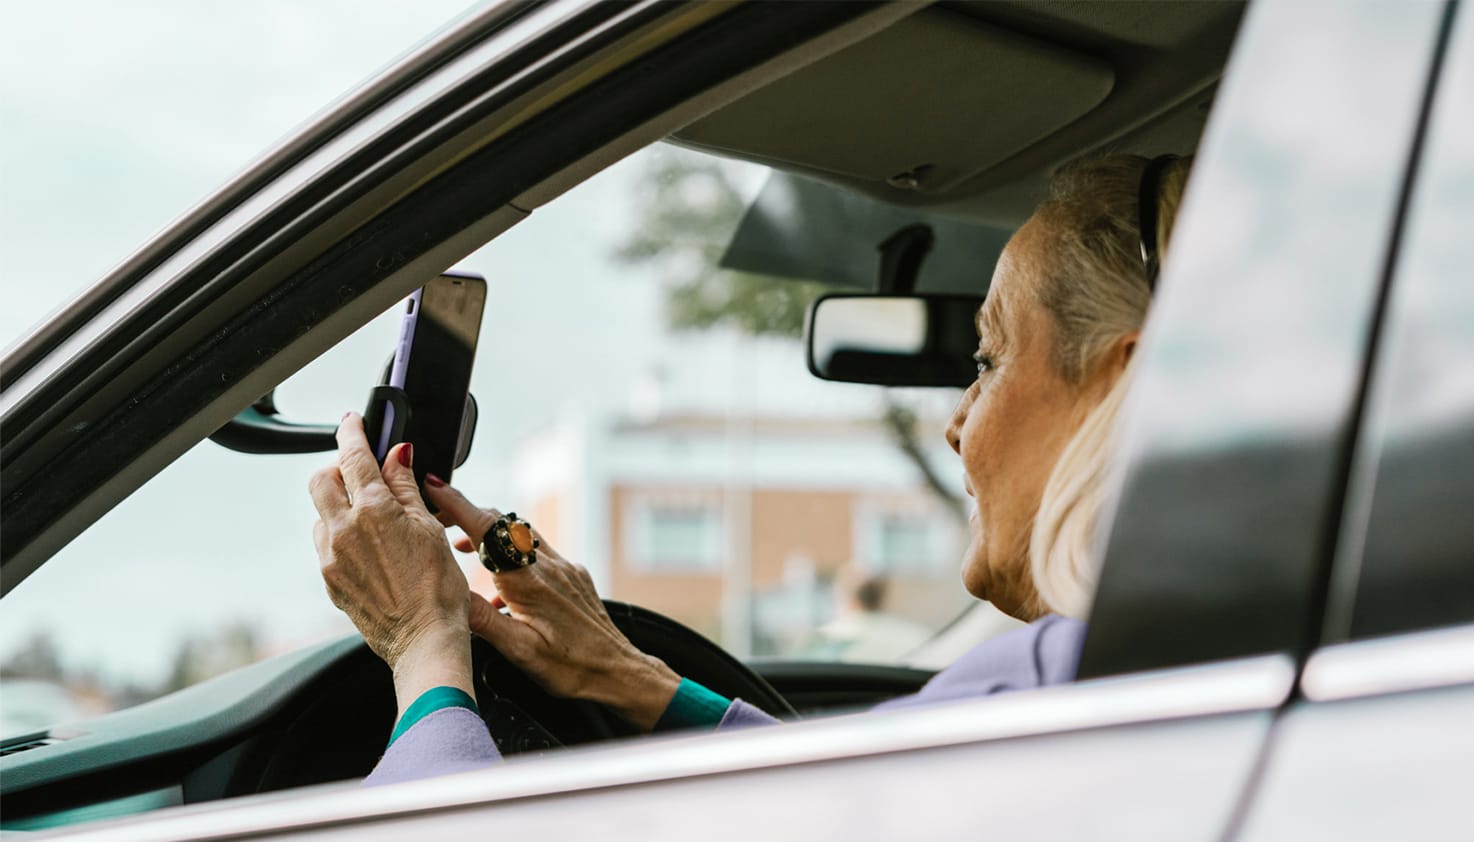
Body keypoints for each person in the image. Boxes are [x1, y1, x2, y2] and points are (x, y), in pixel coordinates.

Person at [307, 153, 1192, 786]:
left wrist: (423, 642)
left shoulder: (1054, 689)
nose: (958, 424)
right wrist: (620, 674)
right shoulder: (1176, 686)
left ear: (1126, 382)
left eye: (989, 357)